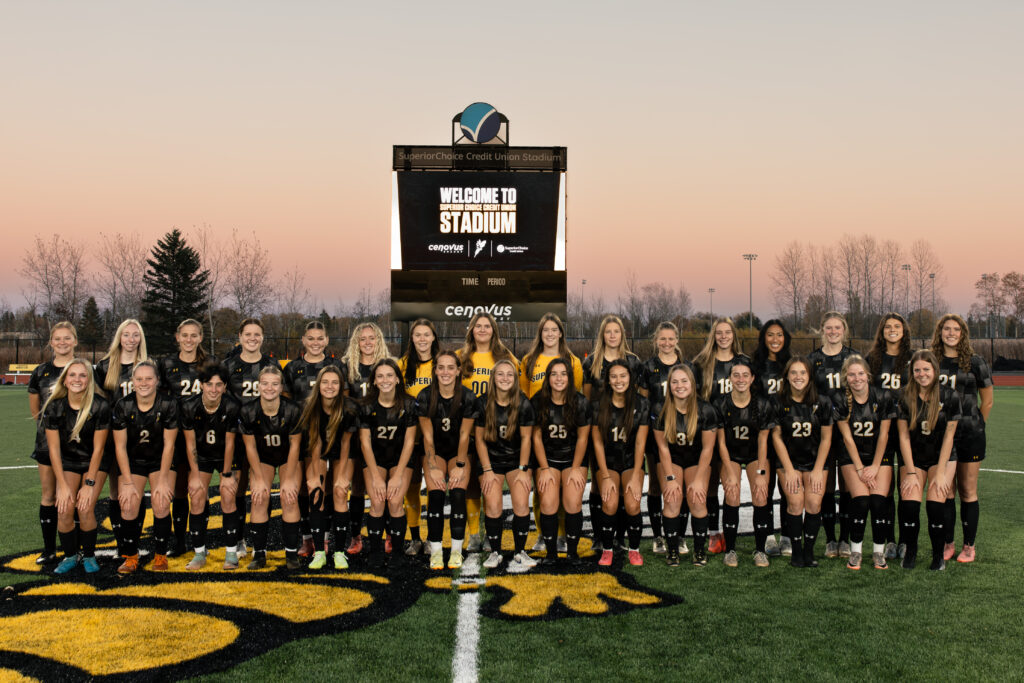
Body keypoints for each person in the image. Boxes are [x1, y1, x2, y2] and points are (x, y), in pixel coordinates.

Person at [519, 313, 582, 555]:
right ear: (540, 333)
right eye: (545, 330)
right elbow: (525, 396)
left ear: (560, 333)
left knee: (567, 488)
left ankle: (564, 534)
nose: (550, 334)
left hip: (565, 430)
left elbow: (574, 395)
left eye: (554, 329)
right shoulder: (529, 360)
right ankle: (543, 534)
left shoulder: (572, 361)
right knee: (542, 485)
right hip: (539, 430)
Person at [931, 314, 992, 563]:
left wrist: (977, 426)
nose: (951, 333)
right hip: (941, 435)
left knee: (967, 490)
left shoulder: (975, 362)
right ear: (940, 332)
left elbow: (987, 400)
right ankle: (948, 543)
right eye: (947, 329)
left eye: (956, 329)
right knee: (946, 491)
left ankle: (969, 546)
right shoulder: (932, 360)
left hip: (970, 434)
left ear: (963, 333)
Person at [456, 312, 519, 554]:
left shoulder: (505, 356)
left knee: (491, 486)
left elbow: (516, 389)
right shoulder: (461, 357)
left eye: (487, 326)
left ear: (494, 330)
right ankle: (474, 534)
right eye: (478, 326)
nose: (482, 330)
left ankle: (491, 533)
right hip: (467, 429)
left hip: (495, 433)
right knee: (471, 484)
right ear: (471, 330)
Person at [42, 359, 111, 574]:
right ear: (65, 379)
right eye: (72, 375)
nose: (77, 380)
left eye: (82, 375)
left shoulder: (100, 405)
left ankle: (89, 556)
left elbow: (99, 450)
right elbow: (53, 450)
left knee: (85, 507)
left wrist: (89, 483)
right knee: (63, 508)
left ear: (89, 380)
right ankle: (71, 556)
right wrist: (61, 485)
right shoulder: (55, 406)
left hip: (94, 462)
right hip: (69, 462)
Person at [111, 360, 180, 573]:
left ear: (157, 381)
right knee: (129, 503)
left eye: (149, 378)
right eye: (139, 378)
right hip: (133, 461)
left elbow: (169, 445)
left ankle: (160, 555)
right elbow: (120, 447)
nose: (144, 383)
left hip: (162, 460)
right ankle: (131, 556)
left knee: (160, 501)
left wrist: (161, 481)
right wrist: (128, 482)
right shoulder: (123, 405)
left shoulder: (168, 404)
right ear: (132, 381)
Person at [581, 314, 642, 552]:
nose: (613, 335)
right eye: (608, 332)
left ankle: (620, 537)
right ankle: (600, 536)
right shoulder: (592, 362)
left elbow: (639, 398)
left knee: (626, 486)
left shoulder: (633, 361)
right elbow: (587, 399)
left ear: (622, 334)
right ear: (602, 335)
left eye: (617, 331)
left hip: (625, 431)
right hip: (600, 430)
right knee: (600, 485)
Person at [415, 350, 480, 569]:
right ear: (435, 371)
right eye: (441, 367)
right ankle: (435, 551)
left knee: (458, 493)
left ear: (458, 370)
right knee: (435, 495)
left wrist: (460, 466)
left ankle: (455, 551)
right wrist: (432, 466)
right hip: (435, 451)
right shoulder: (425, 396)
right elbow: (427, 436)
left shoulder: (468, 396)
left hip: (458, 451)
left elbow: (464, 435)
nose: (445, 372)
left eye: (450, 367)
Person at [896, 350, 960, 570]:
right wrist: (911, 471)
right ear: (912, 372)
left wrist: (941, 473)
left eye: (926, 369)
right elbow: (903, 436)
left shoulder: (949, 396)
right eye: (917, 370)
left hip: (941, 459)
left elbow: (949, 436)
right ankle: (911, 551)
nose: (922, 374)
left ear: (934, 370)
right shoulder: (905, 396)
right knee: (910, 504)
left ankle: (938, 556)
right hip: (914, 459)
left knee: (935, 505)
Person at [282, 320, 340, 557]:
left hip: (331, 434)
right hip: (301, 436)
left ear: (326, 340)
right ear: (304, 341)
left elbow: (343, 402)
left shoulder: (336, 366)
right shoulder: (292, 368)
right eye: (311, 338)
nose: (315, 343)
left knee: (327, 489)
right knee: (305, 490)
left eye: (320, 338)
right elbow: (286, 402)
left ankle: (324, 539)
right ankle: (307, 539)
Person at [692, 318, 750, 554]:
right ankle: (714, 533)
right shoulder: (702, 362)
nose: (724, 336)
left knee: (730, 484)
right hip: (709, 430)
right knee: (710, 485)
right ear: (713, 336)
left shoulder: (744, 363)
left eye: (728, 332)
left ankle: (729, 532)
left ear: (734, 335)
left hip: (735, 433)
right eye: (719, 333)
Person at [833, 355, 896, 570]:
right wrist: (860, 468)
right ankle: (856, 551)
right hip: (853, 457)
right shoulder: (840, 399)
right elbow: (847, 438)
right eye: (851, 374)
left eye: (860, 373)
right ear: (845, 377)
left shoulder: (883, 396)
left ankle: (878, 552)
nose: (856, 378)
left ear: (868, 375)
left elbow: (884, 435)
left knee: (879, 502)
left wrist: (875, 467)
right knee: (860, 502)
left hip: (879, 456)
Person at [653, 364, 719, 567]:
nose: (679, 386)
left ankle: (699, 551)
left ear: (692, 383)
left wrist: (699, 479)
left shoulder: (705, 409)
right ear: (669, 385)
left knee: (697, 499)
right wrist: (670, 479)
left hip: (696, 460)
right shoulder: (661, 409)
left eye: (684, 381)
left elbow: (708, 449)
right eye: (675, 382)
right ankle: (672, 551)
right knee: (672, 500)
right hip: (670, 460)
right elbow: (662, 448)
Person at [180, 361, 243, 571]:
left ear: (225, 386)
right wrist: (195, 475)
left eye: (219, 385)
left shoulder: (232, 405)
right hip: (203, 456)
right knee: (197, 495)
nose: (214, 389)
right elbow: (190, 444)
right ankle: (199, 553)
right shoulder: (190, 406)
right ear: (201, 385)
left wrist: (226, 474)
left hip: (228, 455)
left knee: (227, 494)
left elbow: (231, 443)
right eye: (209, 384)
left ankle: (232, 552)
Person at [771, 357, 834, 568]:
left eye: (803, 373)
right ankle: (796, 553)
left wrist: (818, 469)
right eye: (794, 373)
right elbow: (776, 437)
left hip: (816, 460)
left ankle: (809, 552)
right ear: (787, 376)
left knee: (814, 503)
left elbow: (826, 438)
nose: (798, 377)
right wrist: (788, 470)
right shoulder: (778, 401)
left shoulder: (822, 402)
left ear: (810, 376)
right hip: (789, 461)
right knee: (796, 503)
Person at [239, 365, 303, 570]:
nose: (269, 388)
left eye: (274, 384)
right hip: (262, 457)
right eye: (265, 383)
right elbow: (250, 448)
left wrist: (290, 478)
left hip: (288, 457)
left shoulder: (292, 409)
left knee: (289, 496)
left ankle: (291, 554)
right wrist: (257, 478)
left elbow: (295, 445)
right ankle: (259, 554)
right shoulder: (248, 410)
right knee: (259, 497)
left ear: (281, 386)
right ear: (258, 386)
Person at [223, 318, 278, 558]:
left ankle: (259, 544)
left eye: (257, 334)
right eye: (248, 334)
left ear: (262, 338)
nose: (252, 338)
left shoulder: (271, 364)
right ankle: (238, 540)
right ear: (240, 336)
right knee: (237, 489)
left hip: (264, 436)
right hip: (237, 436)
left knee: (260, 489)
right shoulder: (228, 365)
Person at [94, 318, 148, 558]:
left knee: (136, 492)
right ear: (119, 338)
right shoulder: (105, 366)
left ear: (141, 338)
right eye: (126, 335)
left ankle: (134, 542)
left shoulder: (148, 365)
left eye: (135, 335)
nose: (131, 339)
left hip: (142, 439)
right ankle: (122, 545)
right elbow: (96, 404)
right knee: (117, 493)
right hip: (114, 439)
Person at [476, 359, 536, 571]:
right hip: (490, 461)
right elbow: (480, 440)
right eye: (500, 374)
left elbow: (527, 439)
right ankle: (495, 552)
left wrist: (522, 470)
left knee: (521, 502)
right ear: (493, 378)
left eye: (509, 375)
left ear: (515, 378)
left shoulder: (523, 403)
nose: (505, 378)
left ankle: (520, 551)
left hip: (515, 460)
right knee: (493, 505)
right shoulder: (482, 402)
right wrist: (487, 470)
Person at [159, 319, 211, 557]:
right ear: (177, 337)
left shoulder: (209, 364)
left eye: (194, 335)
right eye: (185, 335)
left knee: (198, 489)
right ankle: (179, 542)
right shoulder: (166, 364)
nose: (189, 340)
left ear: (200, 337)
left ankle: (200, 542)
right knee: (178, 490)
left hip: (202, 436)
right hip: (175, 435)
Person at [714, 359, 774, 567]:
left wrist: (761, 470)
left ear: (752, 378)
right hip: (730, 453)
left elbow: (763, 440)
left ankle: (760, 550)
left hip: (754, 454)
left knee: (760, 491)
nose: (740, 379)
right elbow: (720, 442)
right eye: (736, 375)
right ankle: (730, 550)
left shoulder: (763, 404)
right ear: (730, 378)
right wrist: (729, 471)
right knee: (732, 491)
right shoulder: (721, 403)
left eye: (745, 375)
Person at [531, 357, 591, 565]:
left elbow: (583, 437)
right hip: (547, 458)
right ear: (548, 378)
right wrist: (545, 468)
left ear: (570, 377)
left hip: (573, 457)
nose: (559, 378)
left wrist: (575, 468)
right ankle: (551, 553)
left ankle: (572, 552)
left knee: (572, 501)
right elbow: (536, 437)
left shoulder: (581, 402)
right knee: (548, 502)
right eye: (554, 374)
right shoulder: (538, 401)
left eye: (563, 374)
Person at [28, 321, 78, 565]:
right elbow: (36, 412)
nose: (62, 342)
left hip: (78, 445)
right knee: (49, 495)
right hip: (47, 444)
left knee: (74, 498)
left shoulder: (84, 370)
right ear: (51, 342)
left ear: (75, 341)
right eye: (57, 338)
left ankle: (76, 548)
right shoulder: (40, 372)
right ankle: (49, 550)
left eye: (67, 338)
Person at [359, 358, 417, 567]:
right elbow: (365, 444)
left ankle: (397, 552)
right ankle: (375, 551)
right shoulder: (366, 406)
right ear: (374, 381)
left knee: (394, 501)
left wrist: (398, 476)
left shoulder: (409, 404)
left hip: (400, 459)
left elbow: (409, 443)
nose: (385, 380)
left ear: (397, 380)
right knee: (376, 500)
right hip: (375, 459)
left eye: (389, 376)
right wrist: (375, 477)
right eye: (380, 376)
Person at [806, 312, 855, 558]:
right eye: (829, 327)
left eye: (838, 327)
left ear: (843, 331)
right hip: (821, 431)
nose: (833, 331)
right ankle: (829, 540)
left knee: (846, 484)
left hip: (848, 429)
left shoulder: (853, 357)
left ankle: (844, 540)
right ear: (822, 330)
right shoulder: (812, 359)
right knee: (824, 484)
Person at [591, 360, 649, 566]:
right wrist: (605, 476)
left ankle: (634, 549)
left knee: (632, 503)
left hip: (631, 462)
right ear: (608, 380)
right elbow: (597, 443)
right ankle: (607, 549)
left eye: (623, 376)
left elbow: (641, 441)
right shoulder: (599, 404)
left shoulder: (641, 404)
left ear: (630, 378)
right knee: (610, 501)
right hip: (607, 462)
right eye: (614, 376)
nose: (619, 380)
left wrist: (635, 475)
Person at [302, 366, 359, 571]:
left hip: (344, 452)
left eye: (334, 382)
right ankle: (319, 552)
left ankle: (339, 552)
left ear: (341, 386)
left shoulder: (349, 408)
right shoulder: (311, 407)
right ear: (318, 385)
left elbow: (345, 444)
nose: (330, 386)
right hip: (318, 450)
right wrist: (315, 477)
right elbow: (315, 443)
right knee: (315, 492)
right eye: (325, 382)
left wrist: (342, 477)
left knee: (339, 492)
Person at [340, 321, 390, 554]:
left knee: (383, 487)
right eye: (363, 339)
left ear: (379, 341)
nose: (368, 343)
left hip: (380, 434)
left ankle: (389, 534)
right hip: (354, 432)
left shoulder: (387, 365)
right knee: (357, 487)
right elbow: (345, 402)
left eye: (372, 338)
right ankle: (355, 536)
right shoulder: (346, 367)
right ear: (356, 342)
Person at [640, 322, 689, 556]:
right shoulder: (648, 367)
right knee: (657, 484)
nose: (667, 343)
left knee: (684, 485)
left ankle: (680, 536)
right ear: (656, 341)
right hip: (656, 433)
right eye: (663, 339)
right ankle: (658, 536)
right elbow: (643, 402)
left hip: (682, 433)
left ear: (677, 340)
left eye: (671, 339)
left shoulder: (686, 368)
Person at [865, 313, 911, 561]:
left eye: (897, 326)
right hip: (878, 429)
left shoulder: (912, 359)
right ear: (881, 331)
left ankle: (904, 540)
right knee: (884, 490)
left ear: (904, 331)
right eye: (888, 327)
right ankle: (889, 539)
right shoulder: (872, 359)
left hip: (906, 429)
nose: (892, 330)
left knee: (905, 488)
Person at [397, 318, 439, 557]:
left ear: (433, 337)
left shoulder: (442, 363)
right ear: (412, 339)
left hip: (436, 435)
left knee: (436, 486)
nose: (422, 339)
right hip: (410, 435)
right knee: (411, 487)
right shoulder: (403, 365)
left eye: (426, 334)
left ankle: (439, 539)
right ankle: (415, 538)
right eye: (417, 335)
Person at [752, 319, 792, 557]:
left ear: (785, 337)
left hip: (787, 434)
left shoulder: (792, 364)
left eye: (779, 334)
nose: (775, 339)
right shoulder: (755, 365)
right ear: (763, 338)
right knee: (764, 488)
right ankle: (767, 536)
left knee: (787, 487)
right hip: (764, 433)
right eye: (770, 335)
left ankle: (787, 535)